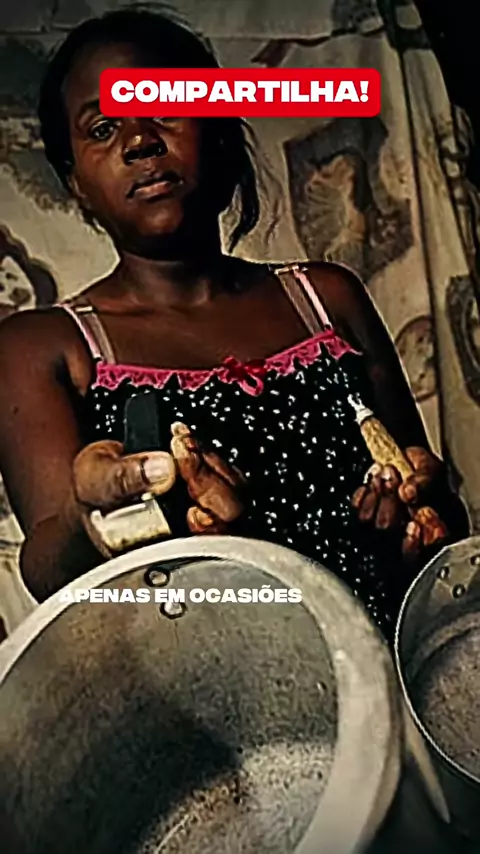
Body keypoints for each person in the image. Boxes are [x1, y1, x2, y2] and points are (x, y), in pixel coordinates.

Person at [0, 9, 469, 642]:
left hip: (384, 667)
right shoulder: (44, 347)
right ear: (75, 182)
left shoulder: (325, 299)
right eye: (103, 128)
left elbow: (439, 512)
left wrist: (417, 519)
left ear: (218, 129)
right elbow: (49, 567)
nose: (138, 140)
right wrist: (97, 518)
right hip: (211, 685)